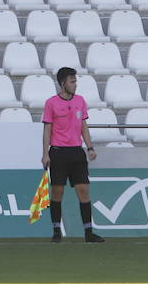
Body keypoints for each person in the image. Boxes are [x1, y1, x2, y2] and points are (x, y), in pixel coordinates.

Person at [40, 66, 104, 243]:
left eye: (75, 81)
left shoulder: (81, 101)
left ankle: (88, 233)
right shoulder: (51, 103)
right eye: (72, 81)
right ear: (63, 84)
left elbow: (83, 126)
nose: (75, 84)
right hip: (58, 152)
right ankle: (56, 231)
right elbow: (47, 129)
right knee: (57, 192)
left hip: (77, 152)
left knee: (83, 190)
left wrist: (90, 147)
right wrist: (45, 154)